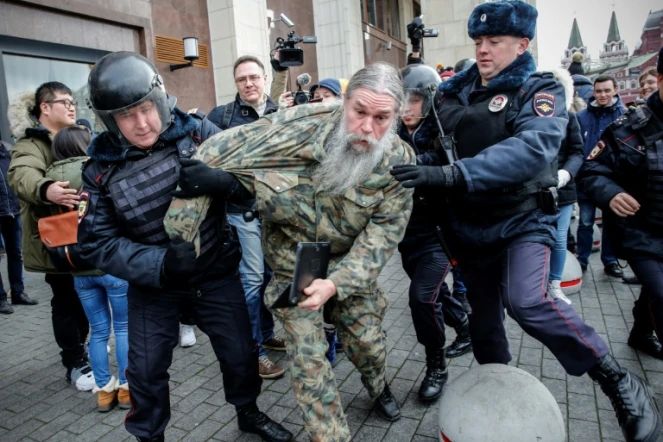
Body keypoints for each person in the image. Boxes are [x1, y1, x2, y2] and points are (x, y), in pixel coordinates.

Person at [389, 2, 661, 441]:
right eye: (478, 41)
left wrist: (450, 174)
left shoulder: (540, 90)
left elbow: (531, 149)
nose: (483, 50)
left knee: (528, 301)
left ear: (522, 43)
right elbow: (436, 151)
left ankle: (618, 381)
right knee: (484, 326)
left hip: (521, 220)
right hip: (468, 229)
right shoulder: (454, 93)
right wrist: (411, 164)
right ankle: (499, 398)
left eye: (494, 42)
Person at [164, 62, 415, 442]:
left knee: (366, 344)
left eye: (382, 117)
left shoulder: (398, 162)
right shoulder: (297, 126)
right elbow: (220, 150)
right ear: (343, 103)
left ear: (395, 116)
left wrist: (337, 284)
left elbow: (382, 236)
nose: (367, 128)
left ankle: (378, 386)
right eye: (359, 112)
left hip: (350, 265)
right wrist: (186, 228)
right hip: (292, 262)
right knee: (308, 358)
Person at [78, 52, 291, 442]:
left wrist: (225, 184)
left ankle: (248, 412)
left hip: (215, 274)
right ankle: (150, 436)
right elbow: (97, 244)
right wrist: (159, 264)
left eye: (145, 109)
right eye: (126, 116)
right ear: (110, 120)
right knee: (143, 371)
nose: (141, 124)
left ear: (159, 99)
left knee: (241, 355)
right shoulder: (99, 169)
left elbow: (260, 189)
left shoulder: (198, 132)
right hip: (154, 286)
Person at [7, 82, 93, 391]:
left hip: (87, 235)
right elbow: (21, 175)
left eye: (74, 102)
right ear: (45, 107)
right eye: (65, 102)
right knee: (66, 300)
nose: (73, 107)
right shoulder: (30, 144)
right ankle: (73, 362)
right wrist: (47, 188)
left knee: (87, 297)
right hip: (56, 240)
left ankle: (85, 346)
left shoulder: (80, 134)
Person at [579, 46, 663, 363]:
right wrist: (611, 193)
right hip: (641, 232)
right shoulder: (628, 128)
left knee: (654, 290)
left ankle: (641, 332)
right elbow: (591, 170)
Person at [207, 55, 287, 379]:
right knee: (252, 282)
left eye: (254, 77)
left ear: (265, 78)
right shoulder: (222, 116)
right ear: (236, 83)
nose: (249, 83)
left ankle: (266, 333)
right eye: (242, 79)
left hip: (276, 214)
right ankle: (253, 352)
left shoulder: (279, 113)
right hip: (243, 214)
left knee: (268, 277)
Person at [397, 64, 472, 403]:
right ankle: (466, 327)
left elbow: (453, 163)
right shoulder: (391, 131)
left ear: (427, 100)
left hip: (439, 233)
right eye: (400, 101)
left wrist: (418, 166)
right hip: (405, 234)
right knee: (434, 294)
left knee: (422, 297)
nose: (405, 109)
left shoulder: (446, 128)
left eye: (412, 101)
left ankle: (436, 365)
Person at [47, 126, 131, 412]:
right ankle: (127, 388)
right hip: (110, 262)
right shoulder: (95, 169)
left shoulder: (49, 179)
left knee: (97, 331)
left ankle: (104, 392)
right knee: (123, 327)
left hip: (78, 268)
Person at [576, 74, 626, 277]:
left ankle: (610, 261)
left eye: (607, 90)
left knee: (611, 224)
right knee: (585, 223)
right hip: (587, 180)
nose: (602, 95)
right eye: (598, 91)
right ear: (593, 92)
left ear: (615, 90)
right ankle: (582, 260)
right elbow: (576, 148)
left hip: (612, 182)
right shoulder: (581, 117)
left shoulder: (624, 116)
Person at [547, 68, 586, 305]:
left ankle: (554, 284)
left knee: (560, 239)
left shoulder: (570, 117)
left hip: (563, 189)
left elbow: (577, 151)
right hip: (537, 190)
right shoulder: (531, 115)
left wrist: (567, 172)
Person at [0, 133, 26, 315]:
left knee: (16, 253)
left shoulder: (6, 149)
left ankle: (18, 292)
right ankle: (1, 298)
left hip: (12, 211)